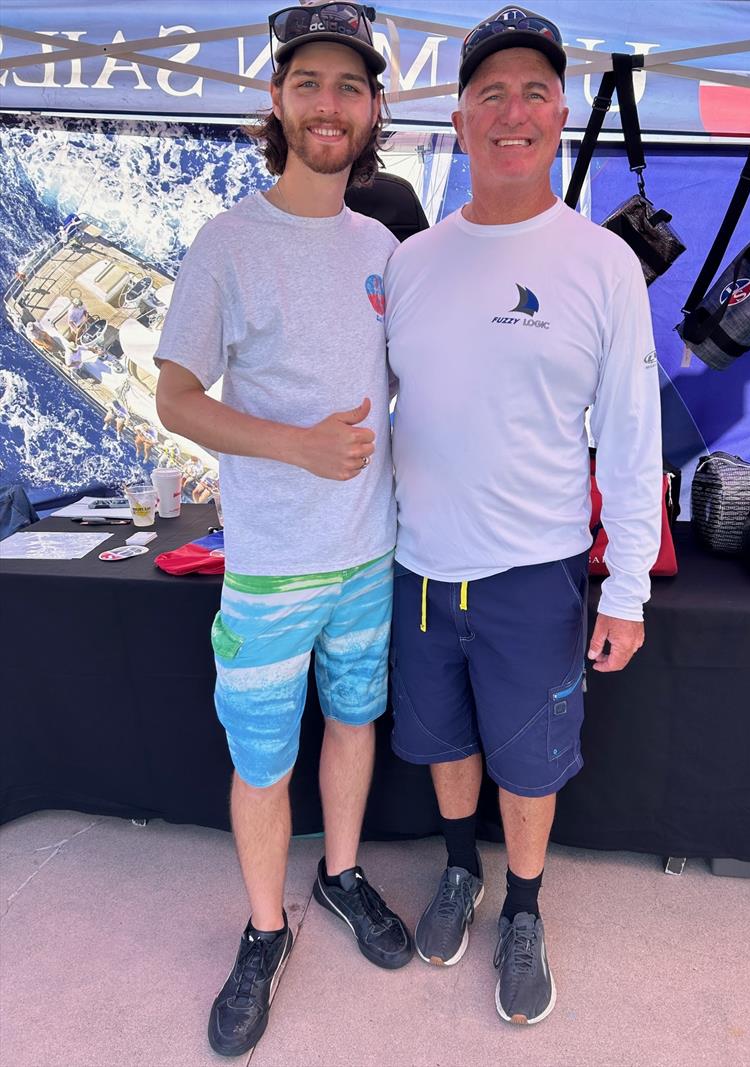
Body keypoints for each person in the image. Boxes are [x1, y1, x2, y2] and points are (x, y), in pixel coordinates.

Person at [384, 5, 663, 1027]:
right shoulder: (409, 262)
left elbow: (633, 439)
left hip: (533, 573)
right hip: (417, 567)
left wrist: (625, 587)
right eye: (489, 93)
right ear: (457, 119)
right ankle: (459, 869)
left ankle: (525, 906)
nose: (512, 112)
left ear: (560, 113)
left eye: (534, 92)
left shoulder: (596, 264)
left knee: (530, 758)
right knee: (443, 742)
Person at [154, 3, 412, 1057]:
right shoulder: (228, 240)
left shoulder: (387, 246)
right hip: (268, 567)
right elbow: (175, 397)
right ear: (276, 98)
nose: (328, 103)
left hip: (371, 556)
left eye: (349, 86)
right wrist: (294, 445)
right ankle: (264, 931)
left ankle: (340, 873)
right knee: (262, 762)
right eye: (308, 81)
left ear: (372, 108)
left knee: (353, 722)